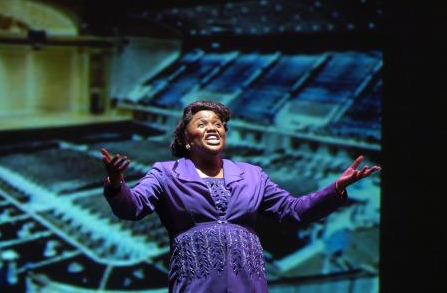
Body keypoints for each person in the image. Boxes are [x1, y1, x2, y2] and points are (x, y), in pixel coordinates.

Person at [101, 101, 380, 293]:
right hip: (196, 283)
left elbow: (293, 211)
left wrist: (336, 190)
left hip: (248, 282)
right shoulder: (165, 172)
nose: (213, 127)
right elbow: (132, 208)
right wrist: (116, 182)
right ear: (186, 139)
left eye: (218, 123)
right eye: (202, 123)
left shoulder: (252, 174)